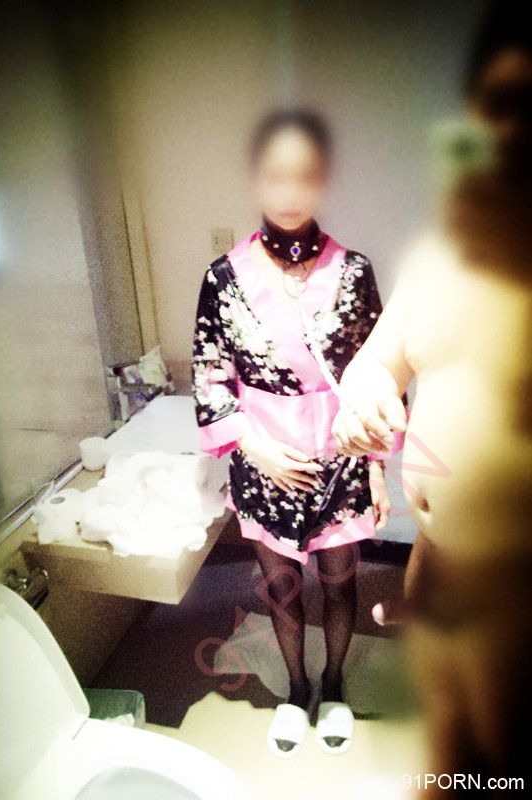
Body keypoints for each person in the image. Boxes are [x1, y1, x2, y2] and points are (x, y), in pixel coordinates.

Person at [332, 3, 532, 789]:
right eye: (499, 104)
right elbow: (375, 362)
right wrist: (362, 396)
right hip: (434, 564)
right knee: (447, 759)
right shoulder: (444, 250)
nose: (513, 132)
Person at [192, 109, 401, 757]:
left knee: (340, 582)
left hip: (340, 460)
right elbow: (209, 377)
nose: (289, 191)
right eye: (275, 175)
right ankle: (295, 689)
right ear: (256, 178)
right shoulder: (223, 278)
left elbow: (380, 377)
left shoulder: (354, 271)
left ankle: (333, 684)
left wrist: (375, 468)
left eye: (303, 175)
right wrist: (254, 449)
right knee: (281, 590)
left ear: (322, 180)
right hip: (263, 463)